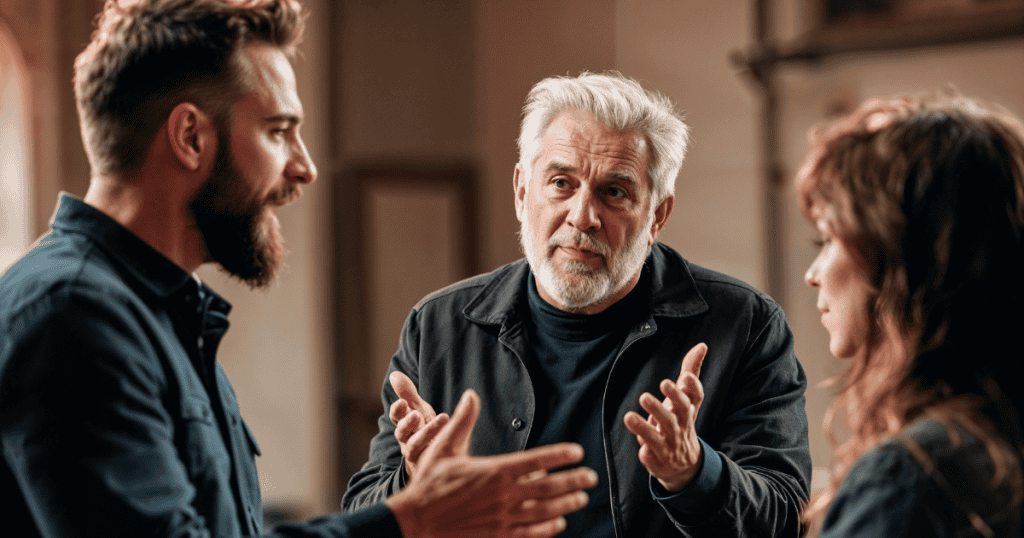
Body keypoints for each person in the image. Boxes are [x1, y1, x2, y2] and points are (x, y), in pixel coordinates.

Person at [0, 1, 599, 537]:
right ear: (189, 136)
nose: (305, 168)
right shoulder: (72, 316)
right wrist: (412, 520)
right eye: (279, 130)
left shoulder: (155, 316)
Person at [342, 72, 812, 537]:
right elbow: (360, 513)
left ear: (657, 215)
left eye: (614, 192)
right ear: (523, 191)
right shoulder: (438, 326)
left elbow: (785, 518)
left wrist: (692, 473)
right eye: (561, 183)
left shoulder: (746, 325)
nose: (583, 217)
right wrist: (415, 483)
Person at [797, 93, 1024, 536]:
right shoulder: (999, 443)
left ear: (898, 255)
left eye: (826, 240)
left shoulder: (910, 477)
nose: (812, 274)